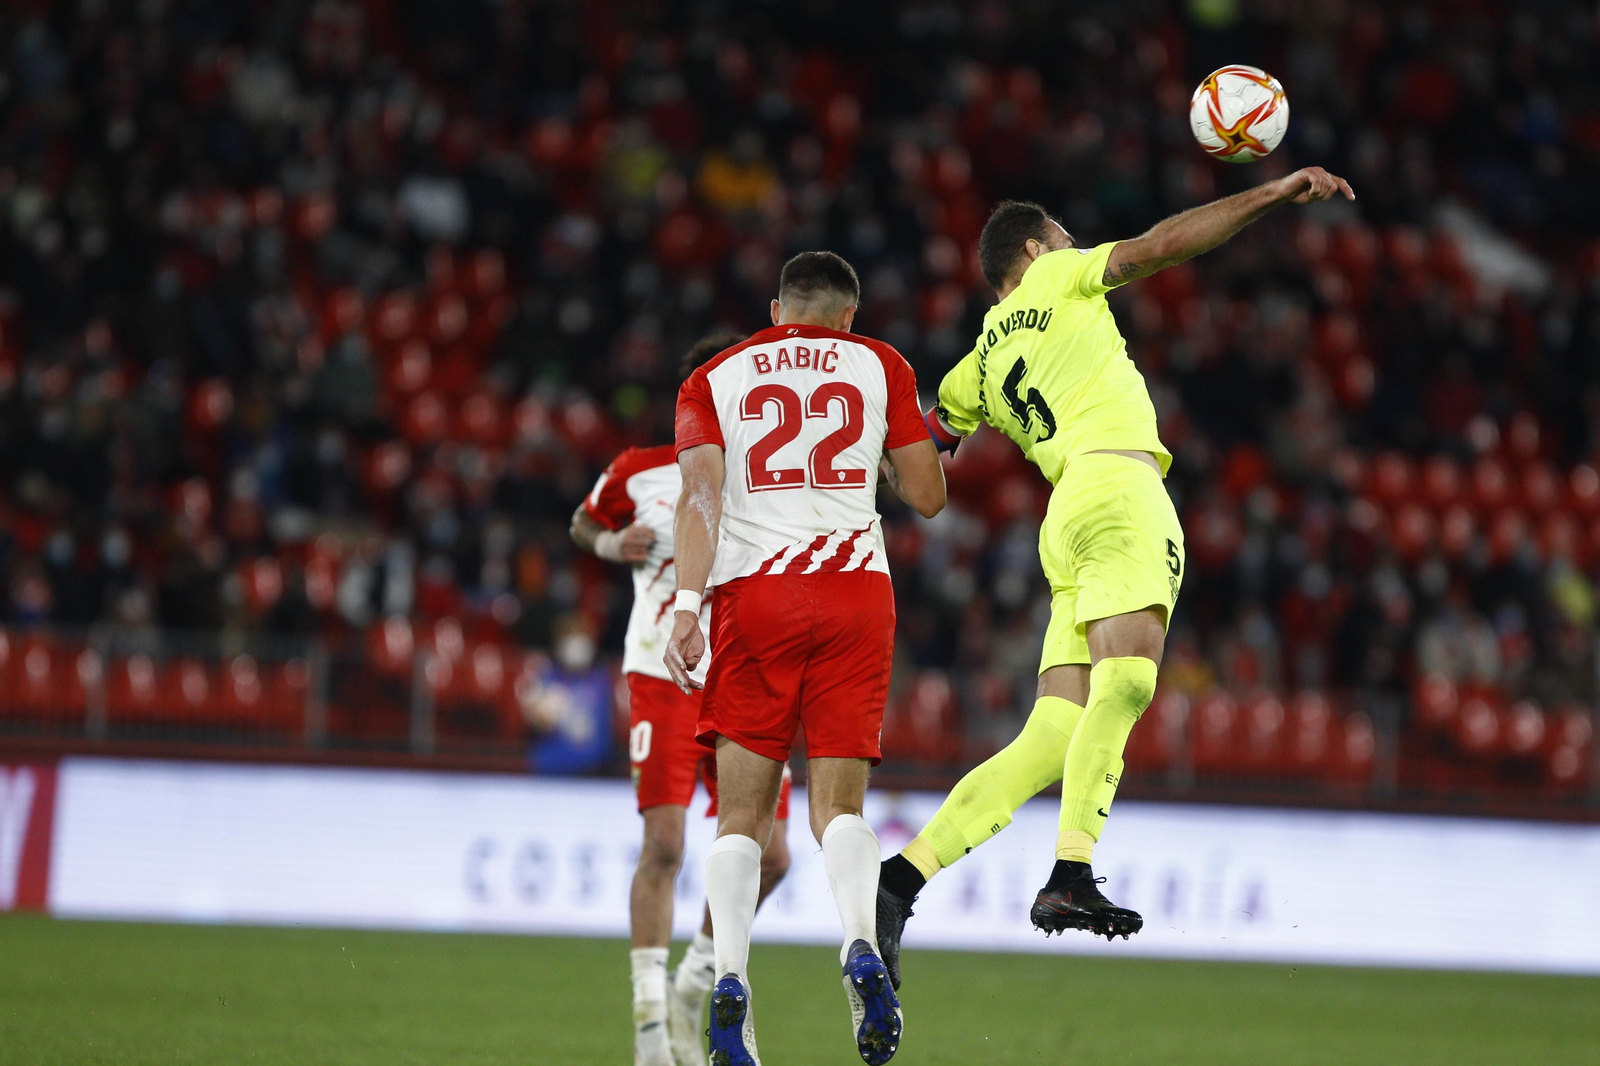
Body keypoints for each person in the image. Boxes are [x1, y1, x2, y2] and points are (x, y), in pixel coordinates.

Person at [875, 167, 1357, 987]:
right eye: (1063, 235)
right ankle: (1071, 872)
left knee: (1053, 734)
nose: (1074, 243)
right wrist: (1269, 196)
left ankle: (902, 875)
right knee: (1127, 683)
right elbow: (1162, 246)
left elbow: (919, 459)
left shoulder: (976, 363)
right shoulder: (1061, 275)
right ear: (1035, 251)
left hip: (1064, 517)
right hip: (1121, 491)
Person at [664, 251, 946, 1066]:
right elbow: (928, 496)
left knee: (742, 816)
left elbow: (700, 497)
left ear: (777, 309)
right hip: (856, 594)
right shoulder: (881, 364)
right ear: (848, 317)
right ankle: (858, 941)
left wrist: (686, 608)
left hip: (757, 597)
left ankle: (730, 975)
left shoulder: (712, 378)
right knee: (839, 810)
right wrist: (885, 455)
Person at [571, 333, 794, 1066]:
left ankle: (692, 985)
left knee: (773, 856)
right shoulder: (639, 471)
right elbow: (583, 520)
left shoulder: (777, 474)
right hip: (661, 673)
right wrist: (610, 546)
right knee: (665, 845)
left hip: (747, 676)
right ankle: (647, 1029)